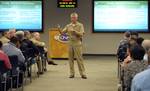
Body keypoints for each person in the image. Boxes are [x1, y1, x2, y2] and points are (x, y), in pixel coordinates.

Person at [61, 12, 87, 79]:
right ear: (71, 18)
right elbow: (62, 32)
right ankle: (71, 73)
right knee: (70, 59)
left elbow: (82, 34)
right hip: (70, 43)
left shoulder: (80, 25)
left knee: (79, 59)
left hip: (77, 43)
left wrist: (75, 32)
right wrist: (59, 29)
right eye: (72, 17)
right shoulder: (68, 25)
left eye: (75, 17)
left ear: (77, 18)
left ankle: (83, 73)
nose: (73, 19)